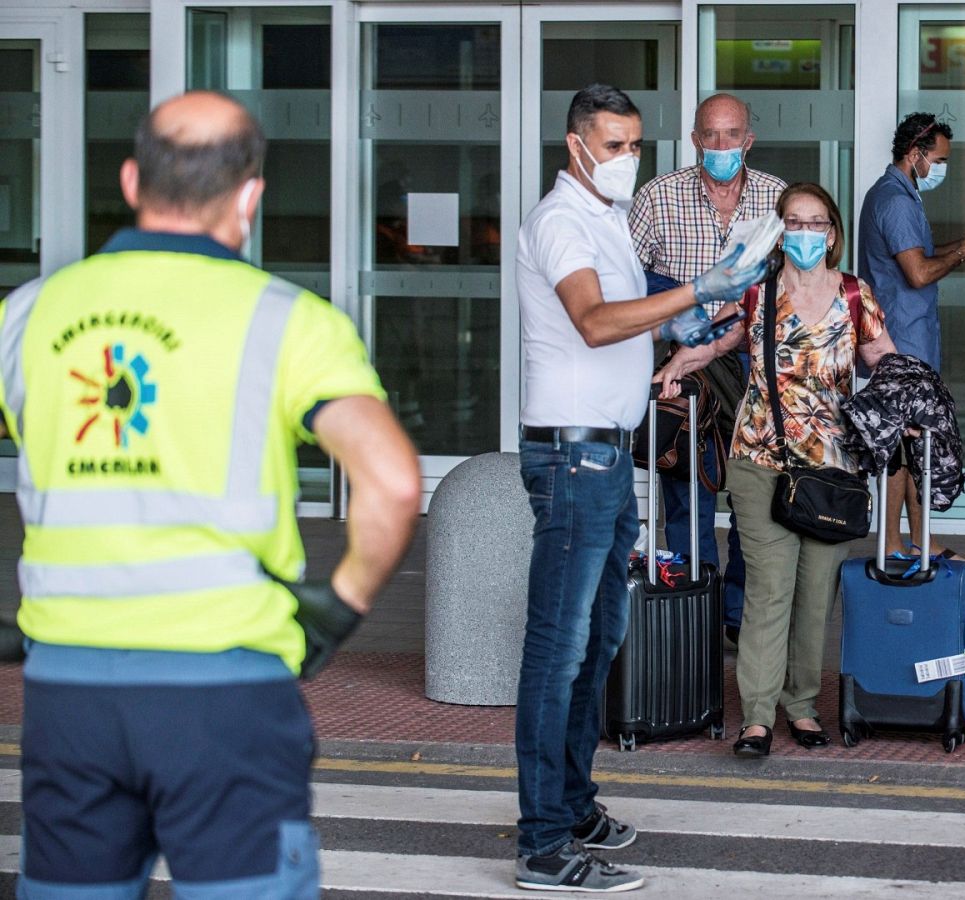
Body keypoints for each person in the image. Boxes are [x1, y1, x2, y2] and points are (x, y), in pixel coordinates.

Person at [1, 90, 420, 897]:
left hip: (66, 693)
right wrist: (334, 609)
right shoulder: (286, 319)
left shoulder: (27, 315)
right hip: (223, 689)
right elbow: (396, 480)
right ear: (251, 194)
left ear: (131, 181)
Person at [513, 83, 768, 892]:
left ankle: (575, 800)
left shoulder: (609, 223)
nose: (629, 159)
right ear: (576, 147)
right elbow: (594, 320)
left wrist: (700, 323)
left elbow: (646, 316)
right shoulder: (559, 223)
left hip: (608, 460)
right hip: (570, 461)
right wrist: (698, 289)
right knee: (557, 653)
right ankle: (543, 843)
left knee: (596, 645)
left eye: (636, 145)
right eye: (614, 145)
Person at [657, 183, 896, 757]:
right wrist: (675, 365)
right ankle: (758, 717)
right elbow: (713, 344)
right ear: (779, 231)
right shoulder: (757, 295)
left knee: (815, 594)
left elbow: (882, 359)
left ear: (832, 234)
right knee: (768, 590)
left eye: (816, 223)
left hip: (834, 470)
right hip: (761, 458)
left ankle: (803, 705)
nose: (805, 233)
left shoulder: (856, 296)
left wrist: (911, 403)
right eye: (794, 222)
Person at [629, 92, 786, 648]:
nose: (721, 147)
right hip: (681, 368)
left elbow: (789, 286)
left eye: (731, 135)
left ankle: (738, 615)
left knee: (753, 492)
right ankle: (692, 605)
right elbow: (624, 282)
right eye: (710, 136)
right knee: (685, 489)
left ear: (749, 140)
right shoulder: (657, 197)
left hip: (751, 361)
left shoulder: (775, 199)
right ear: (695, 139)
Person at [857, 112, 965, 562]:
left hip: (907, 336)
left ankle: (913, 540)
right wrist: (964, 252)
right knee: (905, 440)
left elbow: (915, 258)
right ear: (915, 154)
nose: (941, 169)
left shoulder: (901, 195)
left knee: (912, 439)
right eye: (938, 159)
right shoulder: (894, 200)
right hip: (901, 341)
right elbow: (918, 273)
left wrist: (963, 244)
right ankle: (899, 543)